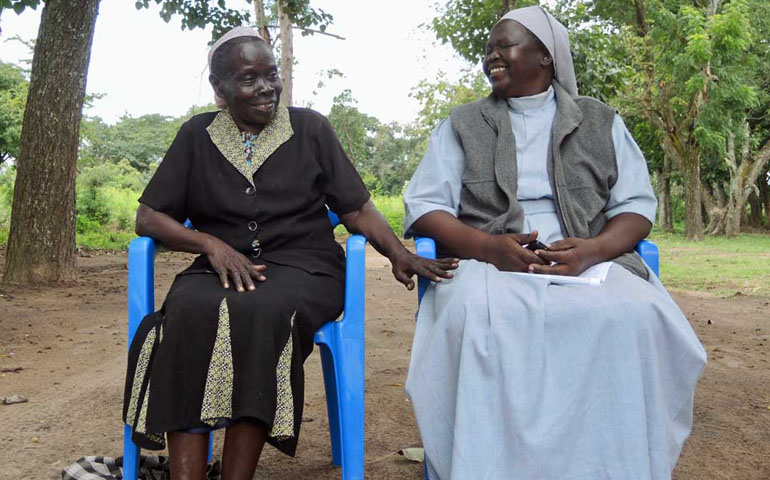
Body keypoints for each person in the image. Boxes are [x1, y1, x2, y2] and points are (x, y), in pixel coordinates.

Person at [122, 26, 456, 479]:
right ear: (220, 93)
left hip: (307, 267)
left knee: (264, 312)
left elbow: (355, 208)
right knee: (185, 311)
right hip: (220, 267)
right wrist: (209, 243)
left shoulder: (310, 128)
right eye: (247, 79)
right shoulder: (196, 136)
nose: (266, 88)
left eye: (271, 74)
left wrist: (398, 252)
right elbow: (149, 217)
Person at [403, 6, 707, 480]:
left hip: (588, 253)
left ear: (546, 57)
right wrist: (487, 247)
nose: (492, 56)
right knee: (476, 317)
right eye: (489, 49)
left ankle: (609, 466)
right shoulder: (462, 123)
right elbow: (425, 207)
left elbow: (636, 208)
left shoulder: (600, 121)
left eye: (505, 46)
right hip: (488, 256)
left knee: (635, 314)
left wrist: (593, 250)